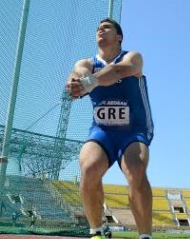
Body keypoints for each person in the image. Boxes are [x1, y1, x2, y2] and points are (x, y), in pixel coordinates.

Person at [66, 18, 154, 239]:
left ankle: (145, 236)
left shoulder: (133, 57)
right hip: (102, 131)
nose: (100, 31)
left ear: (119, 37)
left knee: (135, 170)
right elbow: (77, 74)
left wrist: (89, 82)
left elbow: (116, 72)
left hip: (133, 130)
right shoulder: (85, 63)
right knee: (89, 167)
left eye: (106, 28)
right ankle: (97, 231)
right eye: (98, 29)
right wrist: (74, 85)